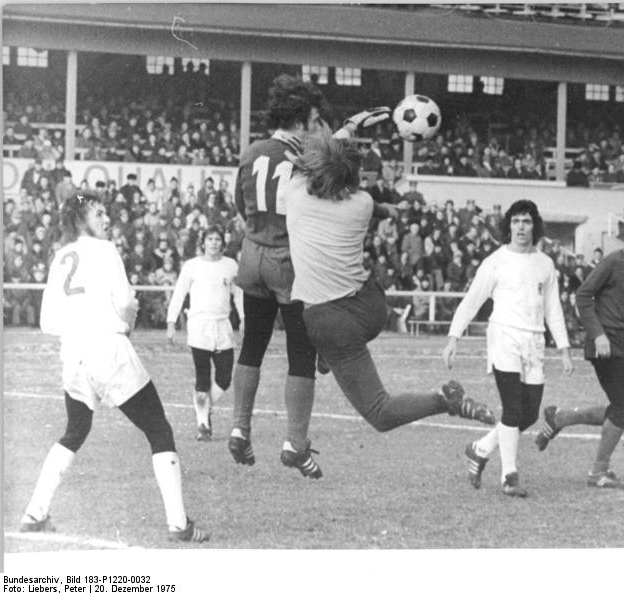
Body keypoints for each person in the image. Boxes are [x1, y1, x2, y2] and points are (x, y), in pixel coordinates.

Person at [285, 131, 496, 447]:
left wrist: (336, 135)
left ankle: (444, 399)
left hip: (330, 321)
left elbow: (298, 165)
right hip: (371, 309)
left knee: (380, 412)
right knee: (345, 334)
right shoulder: (362, 204)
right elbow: (343, 181)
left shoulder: (294, 195)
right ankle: (327, 356)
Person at [20, 190, 207, 543]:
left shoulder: (60, 255)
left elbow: (46, 322)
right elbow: (124, 302)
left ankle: (34, 513)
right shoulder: (105, 250)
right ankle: (179, 524)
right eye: (100, 213)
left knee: (75, 429)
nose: (107, 219)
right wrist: (122, 324)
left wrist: (81, 326)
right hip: (107, 350)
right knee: (159, 429)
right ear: (81, 218)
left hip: (72, 356)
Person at [229, 73, 390, 479]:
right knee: (302, 355)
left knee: (252, 345)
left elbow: (238, 202)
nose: (318, 127)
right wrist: (350, 130)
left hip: (251, 254)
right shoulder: (302, 160)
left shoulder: (251, 152)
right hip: (289, 262)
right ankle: (295, 443)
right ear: (301, 122)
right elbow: (329, 187)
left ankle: (238, 427)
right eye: (315, 120)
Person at [442, 200, 574, 497]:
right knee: (513, 408)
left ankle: (480, 449)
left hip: (534, 341)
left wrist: (564, 349)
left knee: (527, 414)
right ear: (508, 226)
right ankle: (509, 476)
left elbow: (553, 309)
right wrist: (454, 337)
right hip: (504, 337)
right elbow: (473, 299)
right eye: (515, 222)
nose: (521, 228)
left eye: (526, 222)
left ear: (535, 225)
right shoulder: (495, 261)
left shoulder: (545, 264)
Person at [535, 212, 624, 488]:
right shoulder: (613, 261)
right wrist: (598, 334)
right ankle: (598, 471)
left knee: (621, 407)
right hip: (603, 343)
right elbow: (583, 295)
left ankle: (561, 417)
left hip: (623, 342)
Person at [165, 225, 244, 441]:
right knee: (202, 377)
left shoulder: (230, 265)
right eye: (210, 239)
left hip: (222, 326)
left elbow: (238, 294)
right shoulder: (192, 266)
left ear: (222, 243)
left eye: (217, 239)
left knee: (225, 377)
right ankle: (202, 424)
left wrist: (244, 318)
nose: (214, 243)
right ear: (203, 243)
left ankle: (205, 408)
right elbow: (179, 294)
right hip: (199, 327)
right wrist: (171, 323)